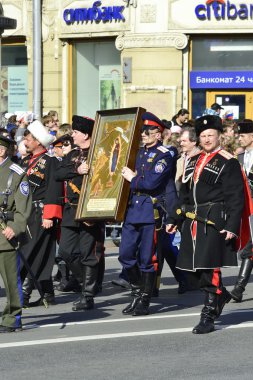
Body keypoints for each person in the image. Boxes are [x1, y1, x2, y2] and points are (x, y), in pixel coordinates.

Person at [167, 115, 245, 334]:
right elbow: (183, 194)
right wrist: (173, 219)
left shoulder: (228, 161)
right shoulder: (193, 160)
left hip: (214, 219)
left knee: (209, 267)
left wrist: (232, 225)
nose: (207, 139)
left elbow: (235, 197)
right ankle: (220, 294)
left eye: (211, 135)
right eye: (203, 136)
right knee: (191, 270)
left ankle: (209, 314)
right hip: (191, 219)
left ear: (219, 136)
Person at [119, 111, 175, 316]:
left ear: (158, 134)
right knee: (125, 254)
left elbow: (152, 183)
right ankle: (137, 290)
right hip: (132, 210)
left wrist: (133, 178)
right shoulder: (138, 152)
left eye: (147, 131)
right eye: (142, 131)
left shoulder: (164, 155)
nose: (143, 134)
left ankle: (144, 299)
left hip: (150, 212)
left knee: (147, 258)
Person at [55, 115, 105, 311]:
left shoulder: (100, 153)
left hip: (91, 209)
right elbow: (58, 174)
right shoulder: (73, 154)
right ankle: (85, 284)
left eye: (75, 132)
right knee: (66, 251)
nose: (72, 135)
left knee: (89, 254)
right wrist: (77, 169)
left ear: (85, 134)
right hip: (71, 209)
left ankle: (88, 295)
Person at [20, 120, 63, 307]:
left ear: (38, 141)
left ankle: (25, 292)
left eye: (28, 138)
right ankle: (48, 294)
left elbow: (54, 189)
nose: (25, 141)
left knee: (33, 252)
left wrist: (49, 214)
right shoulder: (26, 161)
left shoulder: (50, 161)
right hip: (27, 213)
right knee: (38, 251)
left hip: (40, 213)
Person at [0, 135, 32, 332]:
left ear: (2, 150)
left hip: (5, 232)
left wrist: (17, 227)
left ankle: (13, 317)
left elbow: (23, 206)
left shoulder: (16, 173)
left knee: (11, 279)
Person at [230, 120, 253, 302]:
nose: (240, 138)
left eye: (243, 135)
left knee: (248, 249)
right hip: (247, 210)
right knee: (248, 248)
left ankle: (238, 288)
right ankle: (238, 288)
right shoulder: (239, 158)